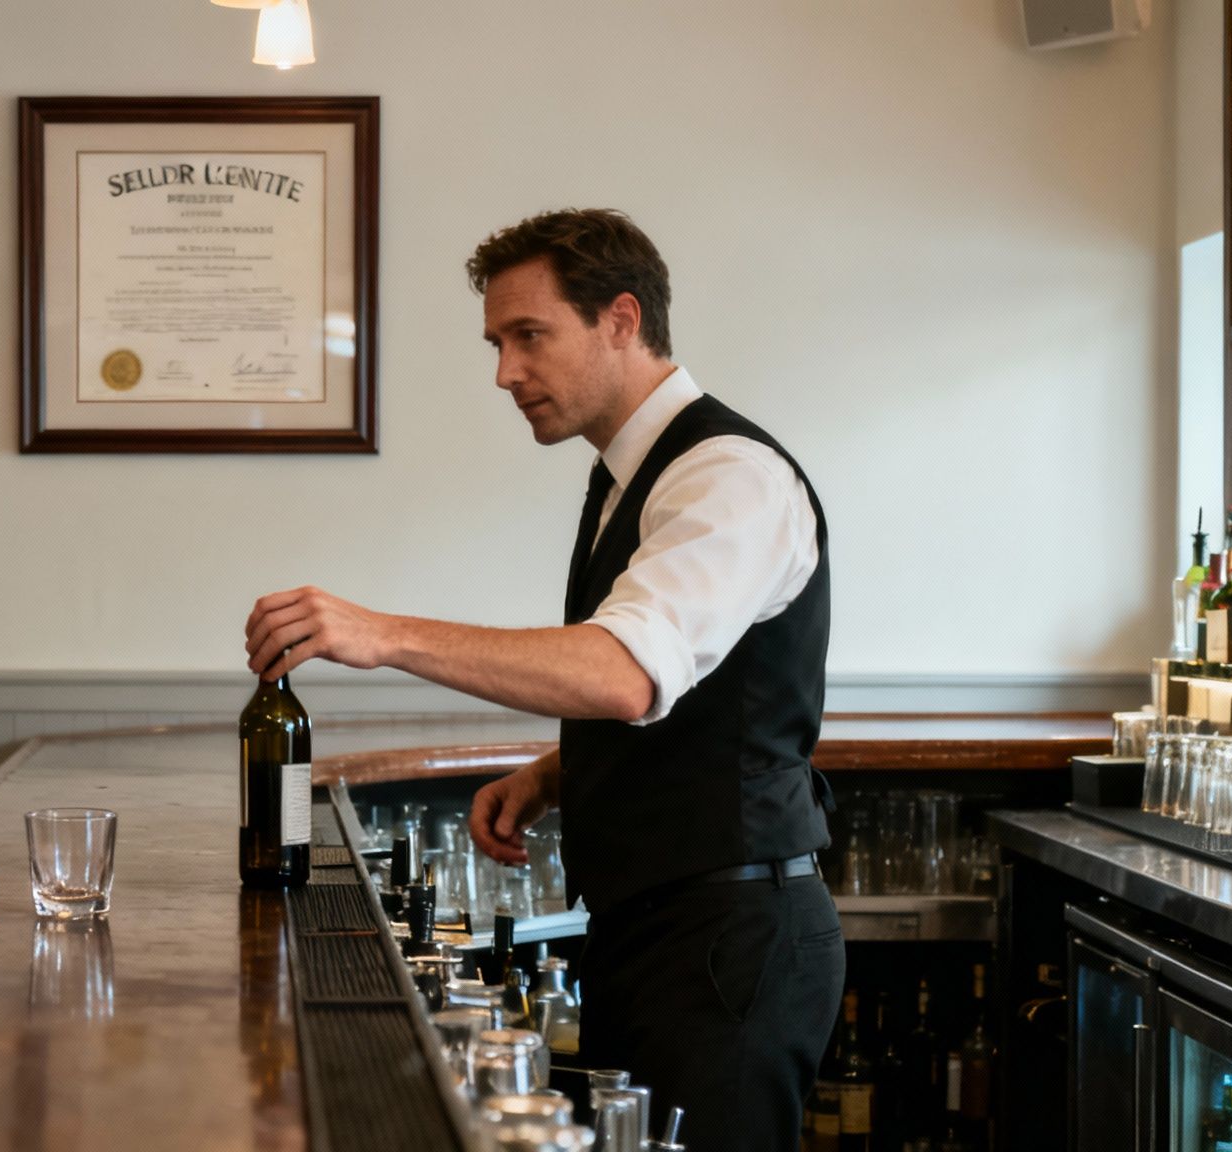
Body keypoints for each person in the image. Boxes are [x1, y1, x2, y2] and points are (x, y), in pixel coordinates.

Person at [244, 209, 842, 1151]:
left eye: (530, 336)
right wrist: (556, 775)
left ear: (621, 318)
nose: (505, 372)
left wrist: (384, 633)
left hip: (731, 941)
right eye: (496, 342)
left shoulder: (728, 476)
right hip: (655, 930)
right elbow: (691, 688)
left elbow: (625, 676)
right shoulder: (623, 476)